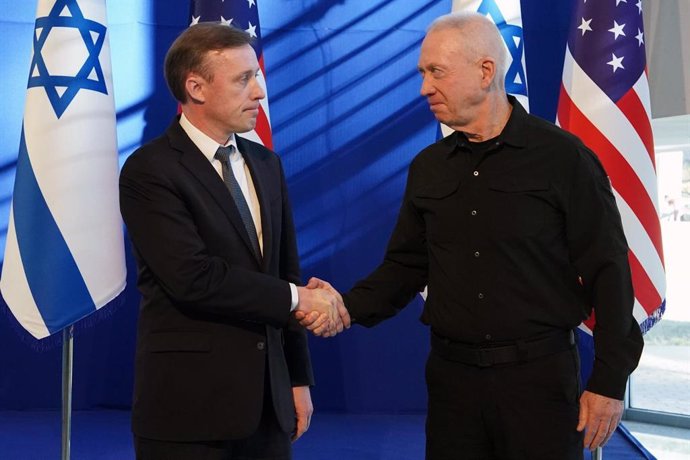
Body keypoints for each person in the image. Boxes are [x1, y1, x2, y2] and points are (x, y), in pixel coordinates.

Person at [298, 12, 643, 460]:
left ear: (485, 71)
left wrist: (609, 382)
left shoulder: (564, 158)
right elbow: (405, 266)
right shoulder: (429, 167)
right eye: (422, 73)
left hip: (539, 383)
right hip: (452, 384)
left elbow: (609, 272)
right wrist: (345, 307)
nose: (424, 87)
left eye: (435, 72)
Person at [119, 23, 342, 460]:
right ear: (196, 87)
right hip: (188, 411)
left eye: (256, 76)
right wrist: (301, 300)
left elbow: (284, 273)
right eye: (244, 79)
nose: (259, 92)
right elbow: (193, 277)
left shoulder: (266, 164)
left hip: (268, 408)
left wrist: (296, 380)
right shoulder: (151, 171)